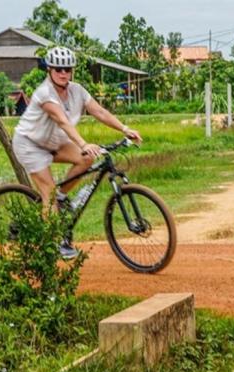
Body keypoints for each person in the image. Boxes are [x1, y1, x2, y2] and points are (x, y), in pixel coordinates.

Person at [12, 46, 142, 259]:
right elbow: (62, 121)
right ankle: (55, 243)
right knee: (49, 193)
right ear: (49, 70)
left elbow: (99, 111)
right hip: (30, 144)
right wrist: (82, 143)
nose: (63, 73)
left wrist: (125, 129)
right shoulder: (45, 94)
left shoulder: (77, 90)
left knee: (88, 159)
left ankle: (62, 198)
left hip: (54, 141)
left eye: (67, 69)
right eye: (58, 69)